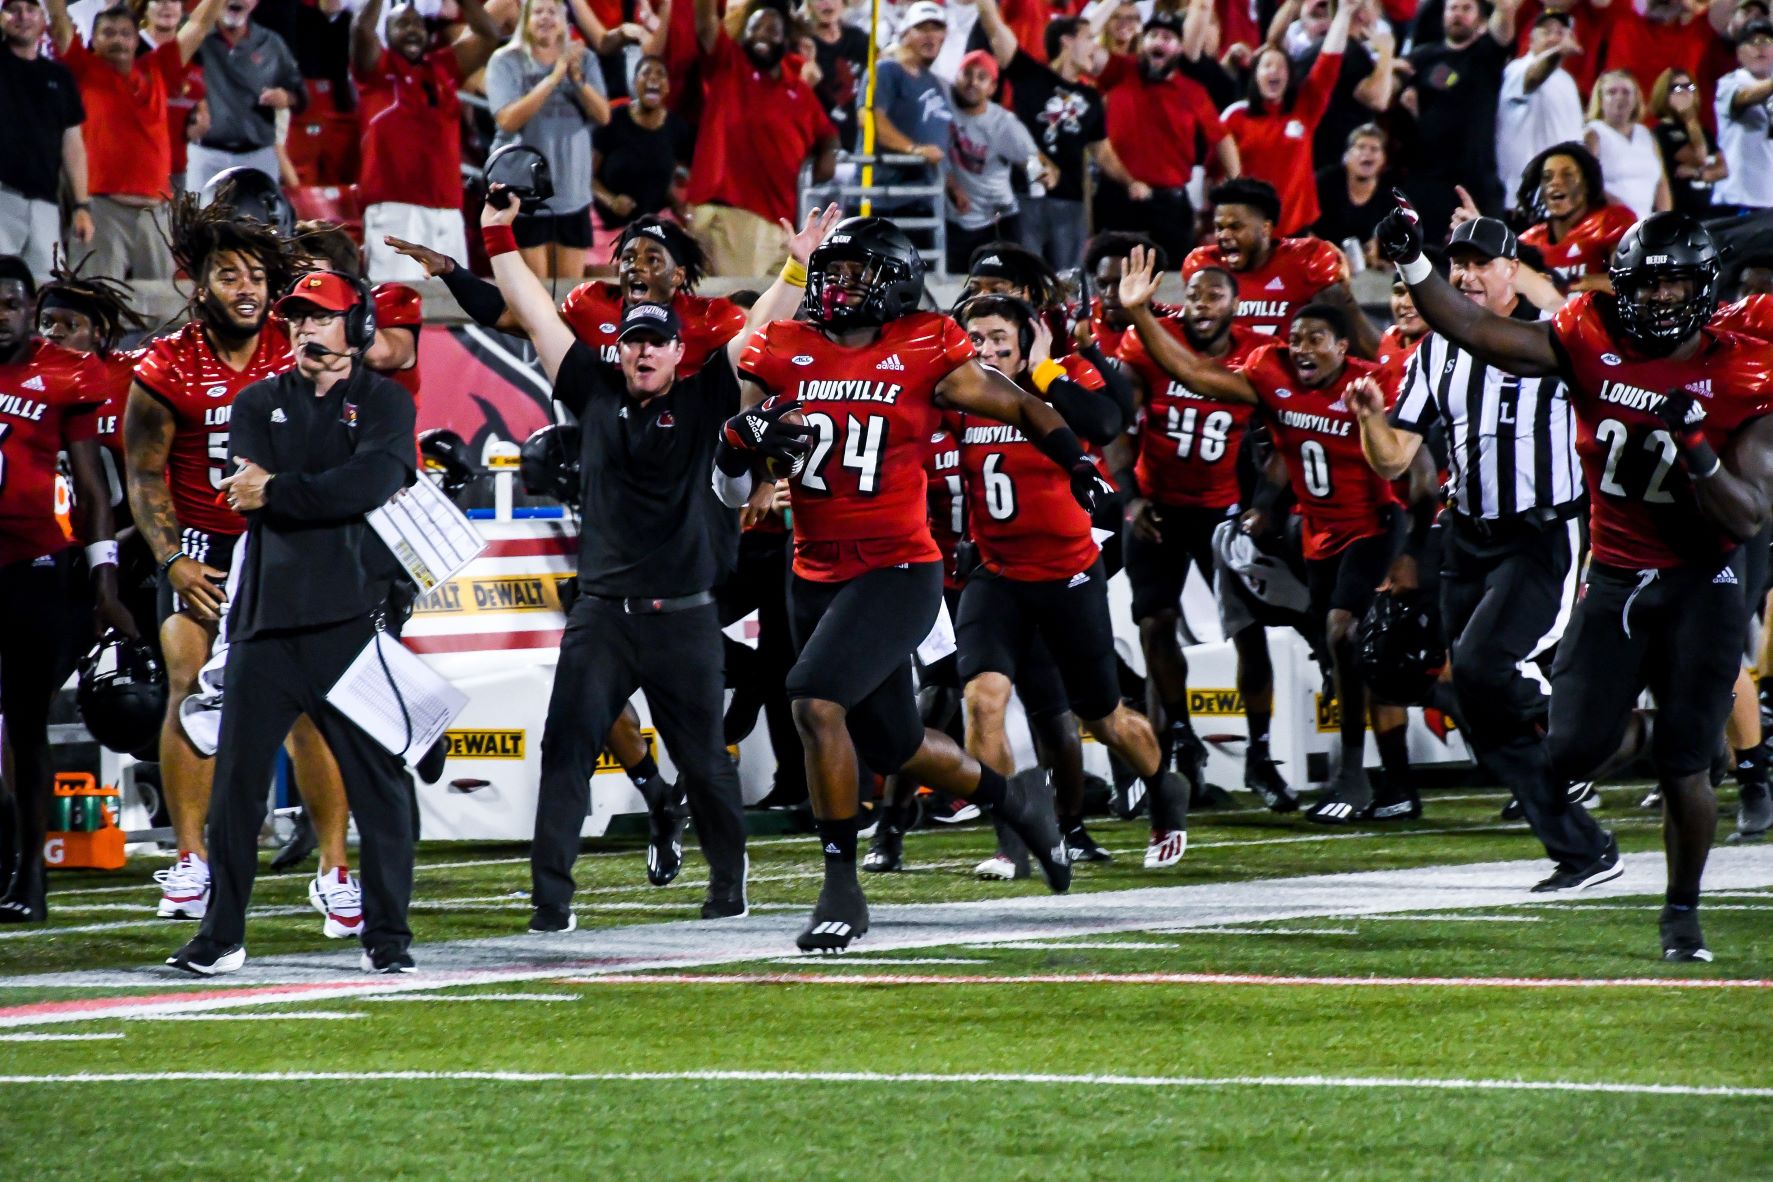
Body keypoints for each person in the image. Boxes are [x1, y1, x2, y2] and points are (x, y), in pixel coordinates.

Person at [1378, 199, 1773, 961]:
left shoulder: (1745, 365)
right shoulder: (1589, 335)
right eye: (1643, 286)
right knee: (1571, 751)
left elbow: (1748, 514)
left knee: (1687, 773)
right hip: (1617, 573)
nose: (1656, 300)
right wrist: (1410, 261)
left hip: (1701, 579)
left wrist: (1691, 441)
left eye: (1671, 286)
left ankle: (1680, 913)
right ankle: (1679, 737)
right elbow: (1474, 331)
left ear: (1702, 288)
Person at [717, 216, 1116, 953]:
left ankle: (840, 887)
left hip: (897, 566)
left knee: (813, 700)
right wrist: (733, 447)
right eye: (829, 274)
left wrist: (1078, 464)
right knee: (893, 741)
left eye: (853, 274)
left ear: (894, 280)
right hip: (813, 570)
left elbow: (1021, 402)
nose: (836, 286)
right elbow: (730, 485)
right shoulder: (779, 349)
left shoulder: (926, 344)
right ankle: (1015, 798)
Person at [481, 190, 821, 932]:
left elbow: (761, 329)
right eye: (632, 341)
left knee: (705, 762)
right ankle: (551, 900)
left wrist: (794, 272)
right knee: (565, 749)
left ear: (676, 351)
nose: (641, 350)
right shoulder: (592, 392)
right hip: (602, 613)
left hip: (683, 617)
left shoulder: (707, 400)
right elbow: (535, 312)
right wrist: (497, 231)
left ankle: (728, 886)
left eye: (655, 342)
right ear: (619, 349)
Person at [1352, 216, 1620, 889]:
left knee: (1482, 665)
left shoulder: (1557, 334)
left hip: (1542, 536)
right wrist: (1365, 418)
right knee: (1475, 698)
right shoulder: (1435, 351)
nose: (1466, 276)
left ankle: (1591, 722)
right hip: (1467, 537)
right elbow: (1393, 460)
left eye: (1481, 264)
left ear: (1511, 271)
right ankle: (1580, 850)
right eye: (1457, 265)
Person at [164, 269, 419, 976]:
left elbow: (373, 484)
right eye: (299, 317)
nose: (306, 328)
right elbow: (246, 495)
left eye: (322, 316)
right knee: (238, 787)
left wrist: (280, 489)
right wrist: (309, 492)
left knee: (380, 785)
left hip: (349, 623)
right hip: (264, 625)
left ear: (358, 326)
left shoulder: (386, 404)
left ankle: (389, 940)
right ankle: (220, 938)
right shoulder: (256, 403)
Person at [1118, 245, 1423, 823]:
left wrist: (1370, 420)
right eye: (1297, 337)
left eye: (1316, 339)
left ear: (1342, 346)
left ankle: (1356, 775)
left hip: (1376, 525)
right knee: (1351, 651)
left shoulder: (1374, 379)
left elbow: (1402, 467)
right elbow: (1194, 373)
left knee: (1346, 636)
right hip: (1315, 534)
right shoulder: (1270, 369)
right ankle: (1384, 783)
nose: (1302, 348)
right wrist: (1140, 316)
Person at [122, 195, 307, 924]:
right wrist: (170, 561)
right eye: (228, 274)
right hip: (201, 547)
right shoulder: (165, 365)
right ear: (198, 284)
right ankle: (191, 860)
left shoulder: (297, 345)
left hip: (285, 546)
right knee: (187, 683)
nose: (246, 288)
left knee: (305, 704)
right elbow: (143, 475)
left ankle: (335, 868)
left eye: (257, 274)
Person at [949, 295, 1172, 866]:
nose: (987, 348)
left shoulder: (1060, 379)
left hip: (1068, 575)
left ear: (1029, 337)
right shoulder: (960, 391)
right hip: (995, 575)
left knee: (1105, 718)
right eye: (975, 336)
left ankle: (1167, 795)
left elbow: (1104, 421)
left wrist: (1047, 368)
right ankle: (1014, 839)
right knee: (982, 700)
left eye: (999, 335)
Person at [1109, 266, 1279, 808]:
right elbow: (1117, 424)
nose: (1201, 303)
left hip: (1222, 511)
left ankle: (1261, 751)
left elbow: (1280, 437)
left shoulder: (1258, 354)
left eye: (1215, 294)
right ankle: (1180, 734)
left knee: (1247, 632)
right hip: (1158, 504)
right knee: (1155, 623)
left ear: (1237, 304)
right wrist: (1132, 499)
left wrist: (1261, 507)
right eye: (1194, 294)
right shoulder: (1149, 342)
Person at [0, 255, 128, 922]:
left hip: (34, 568)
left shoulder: (67, 372)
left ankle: (31, 876)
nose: (3, 318)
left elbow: (93, 488)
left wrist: (105, 581)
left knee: (25, 726)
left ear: (27, 310)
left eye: (11, 305)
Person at [45, 0, 221, 280]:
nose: (118, 39)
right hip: (101, 210)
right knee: (97, 300)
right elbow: (57, 17)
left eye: (125, 33)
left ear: (137, 39)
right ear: (94, 40)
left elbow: (199, 25)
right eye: (108, 33)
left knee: (160, 309)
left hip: (155, 213)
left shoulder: (158, 67)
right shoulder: (83, 68)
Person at [968, 0, 1140, 272]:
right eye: (1089, 39)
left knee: (1069, 284)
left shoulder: (1091, 97)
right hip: (1023, 199)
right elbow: (993, 23)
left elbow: (1102, 152)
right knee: (1022, 277)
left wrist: (1130, 182)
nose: (1096, 47)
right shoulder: (1029, 74)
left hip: (1071, 203)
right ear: (1067, 41)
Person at [352, 0, 500, 283]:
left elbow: (488, 35)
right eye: (402, 24)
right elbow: (361, 28)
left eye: (418, 24)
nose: (412, 30)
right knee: (396, 300)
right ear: (387, 32)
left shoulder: (443, 66)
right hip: (395, 207)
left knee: (455, 305)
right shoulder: (376, 70)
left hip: (448, 207)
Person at [685, 0, 836, 276]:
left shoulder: (798, 89)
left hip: (784, 225)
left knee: (774, 315)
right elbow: (705, 22)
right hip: (735, 215)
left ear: (785, 39)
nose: (762, 34)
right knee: (739, 311)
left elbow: (827, 133)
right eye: (755, 28)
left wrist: (828, 154)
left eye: (771, 29)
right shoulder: (729, 65)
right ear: (743, 35)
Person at [1095, 9, 1239, 265]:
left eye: (1167, 36)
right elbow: (1086, 47)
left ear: (1180, 47)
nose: (1159, 41)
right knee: (1113, 277)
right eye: (1153, 35)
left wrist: (1237, 185)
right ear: (1143, 42)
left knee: (1171, 282)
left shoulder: (1193, 91)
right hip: (1117, 198)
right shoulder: (1120, 70)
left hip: (1169, 206)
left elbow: (1222, 139)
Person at [485, 0, 610, 280]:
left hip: (572, 194)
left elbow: (603, 116)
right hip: (525, 196)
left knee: (568, 297)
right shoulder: (506, 60)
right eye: (537, 11)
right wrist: (553, 79)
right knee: (537, 295)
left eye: (552, 11)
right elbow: (506, 119)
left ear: (564, 19)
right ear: (525, 19)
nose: (545, 18)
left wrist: (577, 80)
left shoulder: (584, 59)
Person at [1183, 178, 1377, 357]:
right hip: (1222, 382)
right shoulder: (1204, 265)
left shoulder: (1305, 260)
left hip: (1288, 385)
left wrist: (1345, 296)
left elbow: (1353, 338)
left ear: (1266, 228)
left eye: (1235, 227)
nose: (1223, 235)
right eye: (1219, 227)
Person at [1222, 0, 1350, 236]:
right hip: (1249, 231)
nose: (1274, 71)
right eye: (1267, 65)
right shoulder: (1234, 118)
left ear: (1290, 77)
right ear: (1255, 75)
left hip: (1296, 231)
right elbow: (1216, 175)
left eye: (1281, 66)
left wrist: (1344, 12)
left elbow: (1329, 62)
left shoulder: (1304, 109)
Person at [1399, 0, 1520, 243]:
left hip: (1476, 177)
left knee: (1486, 251)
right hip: (1428, 178)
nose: (1458, 14)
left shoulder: (1486, 53)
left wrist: (1505, 8)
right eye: (1453, 8)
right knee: (1423, 257)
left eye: (1466, 9)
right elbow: (1398, 81)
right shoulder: (1423, 56)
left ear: (1480, 19)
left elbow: (1502, 33)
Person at [0, 0, 92, 277]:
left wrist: (81, 205)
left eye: (30, 9)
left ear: (43, 18)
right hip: (3, 197)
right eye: (13, 10)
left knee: (48, 287)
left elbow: (72, 144)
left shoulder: (59, 77)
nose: (23, 17)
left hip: (45, 203)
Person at [184, 0, 303, 194]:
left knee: (259, 224)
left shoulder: (271, 43)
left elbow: (301, 96)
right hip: (205, 155)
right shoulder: (196, 38)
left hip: (258, 157)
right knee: (197, 222)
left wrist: (287, 98)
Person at [941, 50, 1039, 273]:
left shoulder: (1004, 123)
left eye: (981, 77)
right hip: (957, 221)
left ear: (992, 88)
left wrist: (1039, 193)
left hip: (997, 220)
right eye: (967, 74)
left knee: (1004, 283)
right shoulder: (944, 107)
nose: (972, 82)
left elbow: (1034, 163)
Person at [864, 0, 951, 214]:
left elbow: (936, 140)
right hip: (883, 198)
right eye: (921, 28)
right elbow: (869, 119)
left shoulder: (935, 83)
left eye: (936, 28)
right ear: (904, 34)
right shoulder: (886, 70)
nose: (930, 36)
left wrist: (952, 184)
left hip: (923, 197)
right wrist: (914, 150)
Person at [1513, 142, 1636, 288]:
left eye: (1567, 175)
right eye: (1547, 177)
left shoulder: (1612, 221)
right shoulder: (1528, 241)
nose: (1555, 182)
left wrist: (1575, 285)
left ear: (1587, 184)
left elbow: (1630, 281)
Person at [591, 55, 692, 232]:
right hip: (607, 227)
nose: (653, 77)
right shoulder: (613, 119)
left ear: (668, 87)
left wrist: (680, 208)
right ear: (635, 83)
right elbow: (586, 177)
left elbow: (665, 180)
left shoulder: (677, 128)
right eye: (646, 73)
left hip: (652, 226)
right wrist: (612, 201)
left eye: (660, 74)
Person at [1494, 9, 1585, 204]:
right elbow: (1534, 77)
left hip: (1561, 196)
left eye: (1560, 32)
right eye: (1547, 31)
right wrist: (1559, 51)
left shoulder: (1567, 81)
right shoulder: (1518, 68)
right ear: (1531, 38)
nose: (1554, 38)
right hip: (1522, 196)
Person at [1583, 70, 1670, 221]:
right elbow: (1587, 183)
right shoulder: (1593, 134)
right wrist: (1623, 214)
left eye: (1626, 92)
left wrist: (1666, 220)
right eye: (1612, 92)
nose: (1619, 97)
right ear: (1601, 100)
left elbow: (1661, 183)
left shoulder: (1646, 135)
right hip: (1608, 223)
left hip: (1646, 225)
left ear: (1636, 98)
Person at [1713, 17, 1773, 216]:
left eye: (1766, 41)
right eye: (1752, 42)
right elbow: (1744, 97)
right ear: (1739, 52)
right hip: (1738, 199)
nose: (1760, 48)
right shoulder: (1730, 83)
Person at [1650, 68, 1727, 220]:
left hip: (1706, 215)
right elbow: (1700, 157)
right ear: (1665, 94)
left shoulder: (1703, 132)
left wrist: (1699, 173)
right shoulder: (1662, 132)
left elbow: (1723, 169)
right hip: (1678, 214)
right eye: (1677, 88)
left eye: (1689, 87)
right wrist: (1690, 118)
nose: (1685, 93)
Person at [1313, 123, 1389, 268]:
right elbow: (1303, 227)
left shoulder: (1387, 197)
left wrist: (1374, 256)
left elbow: (1377, 244)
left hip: (1358, 271)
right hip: (1317, 260)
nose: (1367, 153)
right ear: (1346, 155)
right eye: (1360, 147)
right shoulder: (1324, 181)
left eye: (1374, 149)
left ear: (1383, 159)